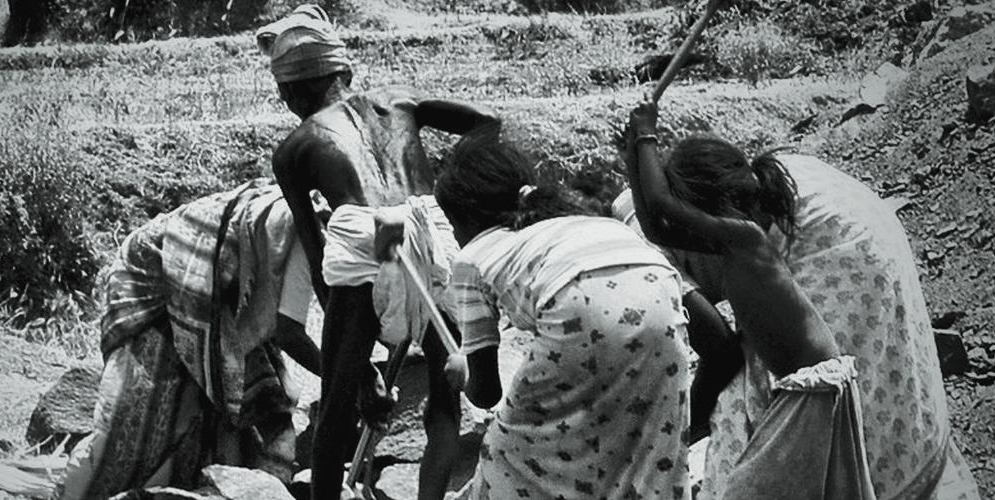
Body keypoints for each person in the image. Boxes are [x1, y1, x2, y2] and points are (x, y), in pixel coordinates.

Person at [618, 101, 981, 500]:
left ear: (707, 208)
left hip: (815, 394)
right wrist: (633, 152)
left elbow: (663, 206)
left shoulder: (744, 239)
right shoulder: (732, 240)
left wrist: (647, 133)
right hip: (802, 388)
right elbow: (655, 224)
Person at [256, 6, 500, 500]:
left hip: (363, 246)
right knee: (445, 395)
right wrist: (443, 193)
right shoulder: (400, 103)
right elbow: (488, 123)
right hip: (431, 234)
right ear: (343, 71)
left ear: (293, 89)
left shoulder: (293, 149)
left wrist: (351, 349)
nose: (285, 103)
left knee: (340, 406)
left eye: (284, 94)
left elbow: (313, 239)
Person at [430, 126, 692, 500]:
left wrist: (463, 372)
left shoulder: (471, 259)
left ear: (465, 218)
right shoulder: (576, 222)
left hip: (575, 301)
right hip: (662, 290)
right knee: (646, 444)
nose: (455, 236)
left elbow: (486, 392)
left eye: (452, 225)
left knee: (507, 452)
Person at [54, 179, 324, 500]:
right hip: (155, 275)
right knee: (140, 420)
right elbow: (287, 331)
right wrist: (351, 378)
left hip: (216, 296)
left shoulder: (346, 238)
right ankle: (78, 492)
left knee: (254, 407)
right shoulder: (304, 232)